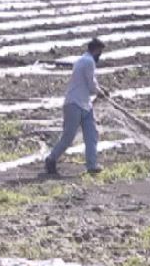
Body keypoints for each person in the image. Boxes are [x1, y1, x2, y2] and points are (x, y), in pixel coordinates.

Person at [46, 37, 108, 176]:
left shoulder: (82, 60)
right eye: (100, 52)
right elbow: (91, 85)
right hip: (74, 104)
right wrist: (100, 92)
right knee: (68, 137)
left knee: (92, 135)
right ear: (96, 50)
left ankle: (92, 165)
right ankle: (51, 159)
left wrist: (101, 89)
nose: (100, 55)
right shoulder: (88, 61)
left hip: (85, 104)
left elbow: (91, 82)